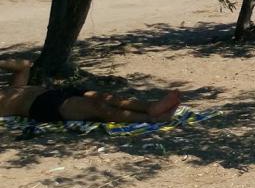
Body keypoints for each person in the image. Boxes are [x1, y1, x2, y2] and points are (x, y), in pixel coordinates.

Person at [0, 58, 181, 124]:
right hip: (41, 105)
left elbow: (25, 65)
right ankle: (151, 118)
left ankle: (150, 107)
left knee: (104, 96)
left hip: (54, 92)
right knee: (97, 107)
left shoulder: (12, 87)